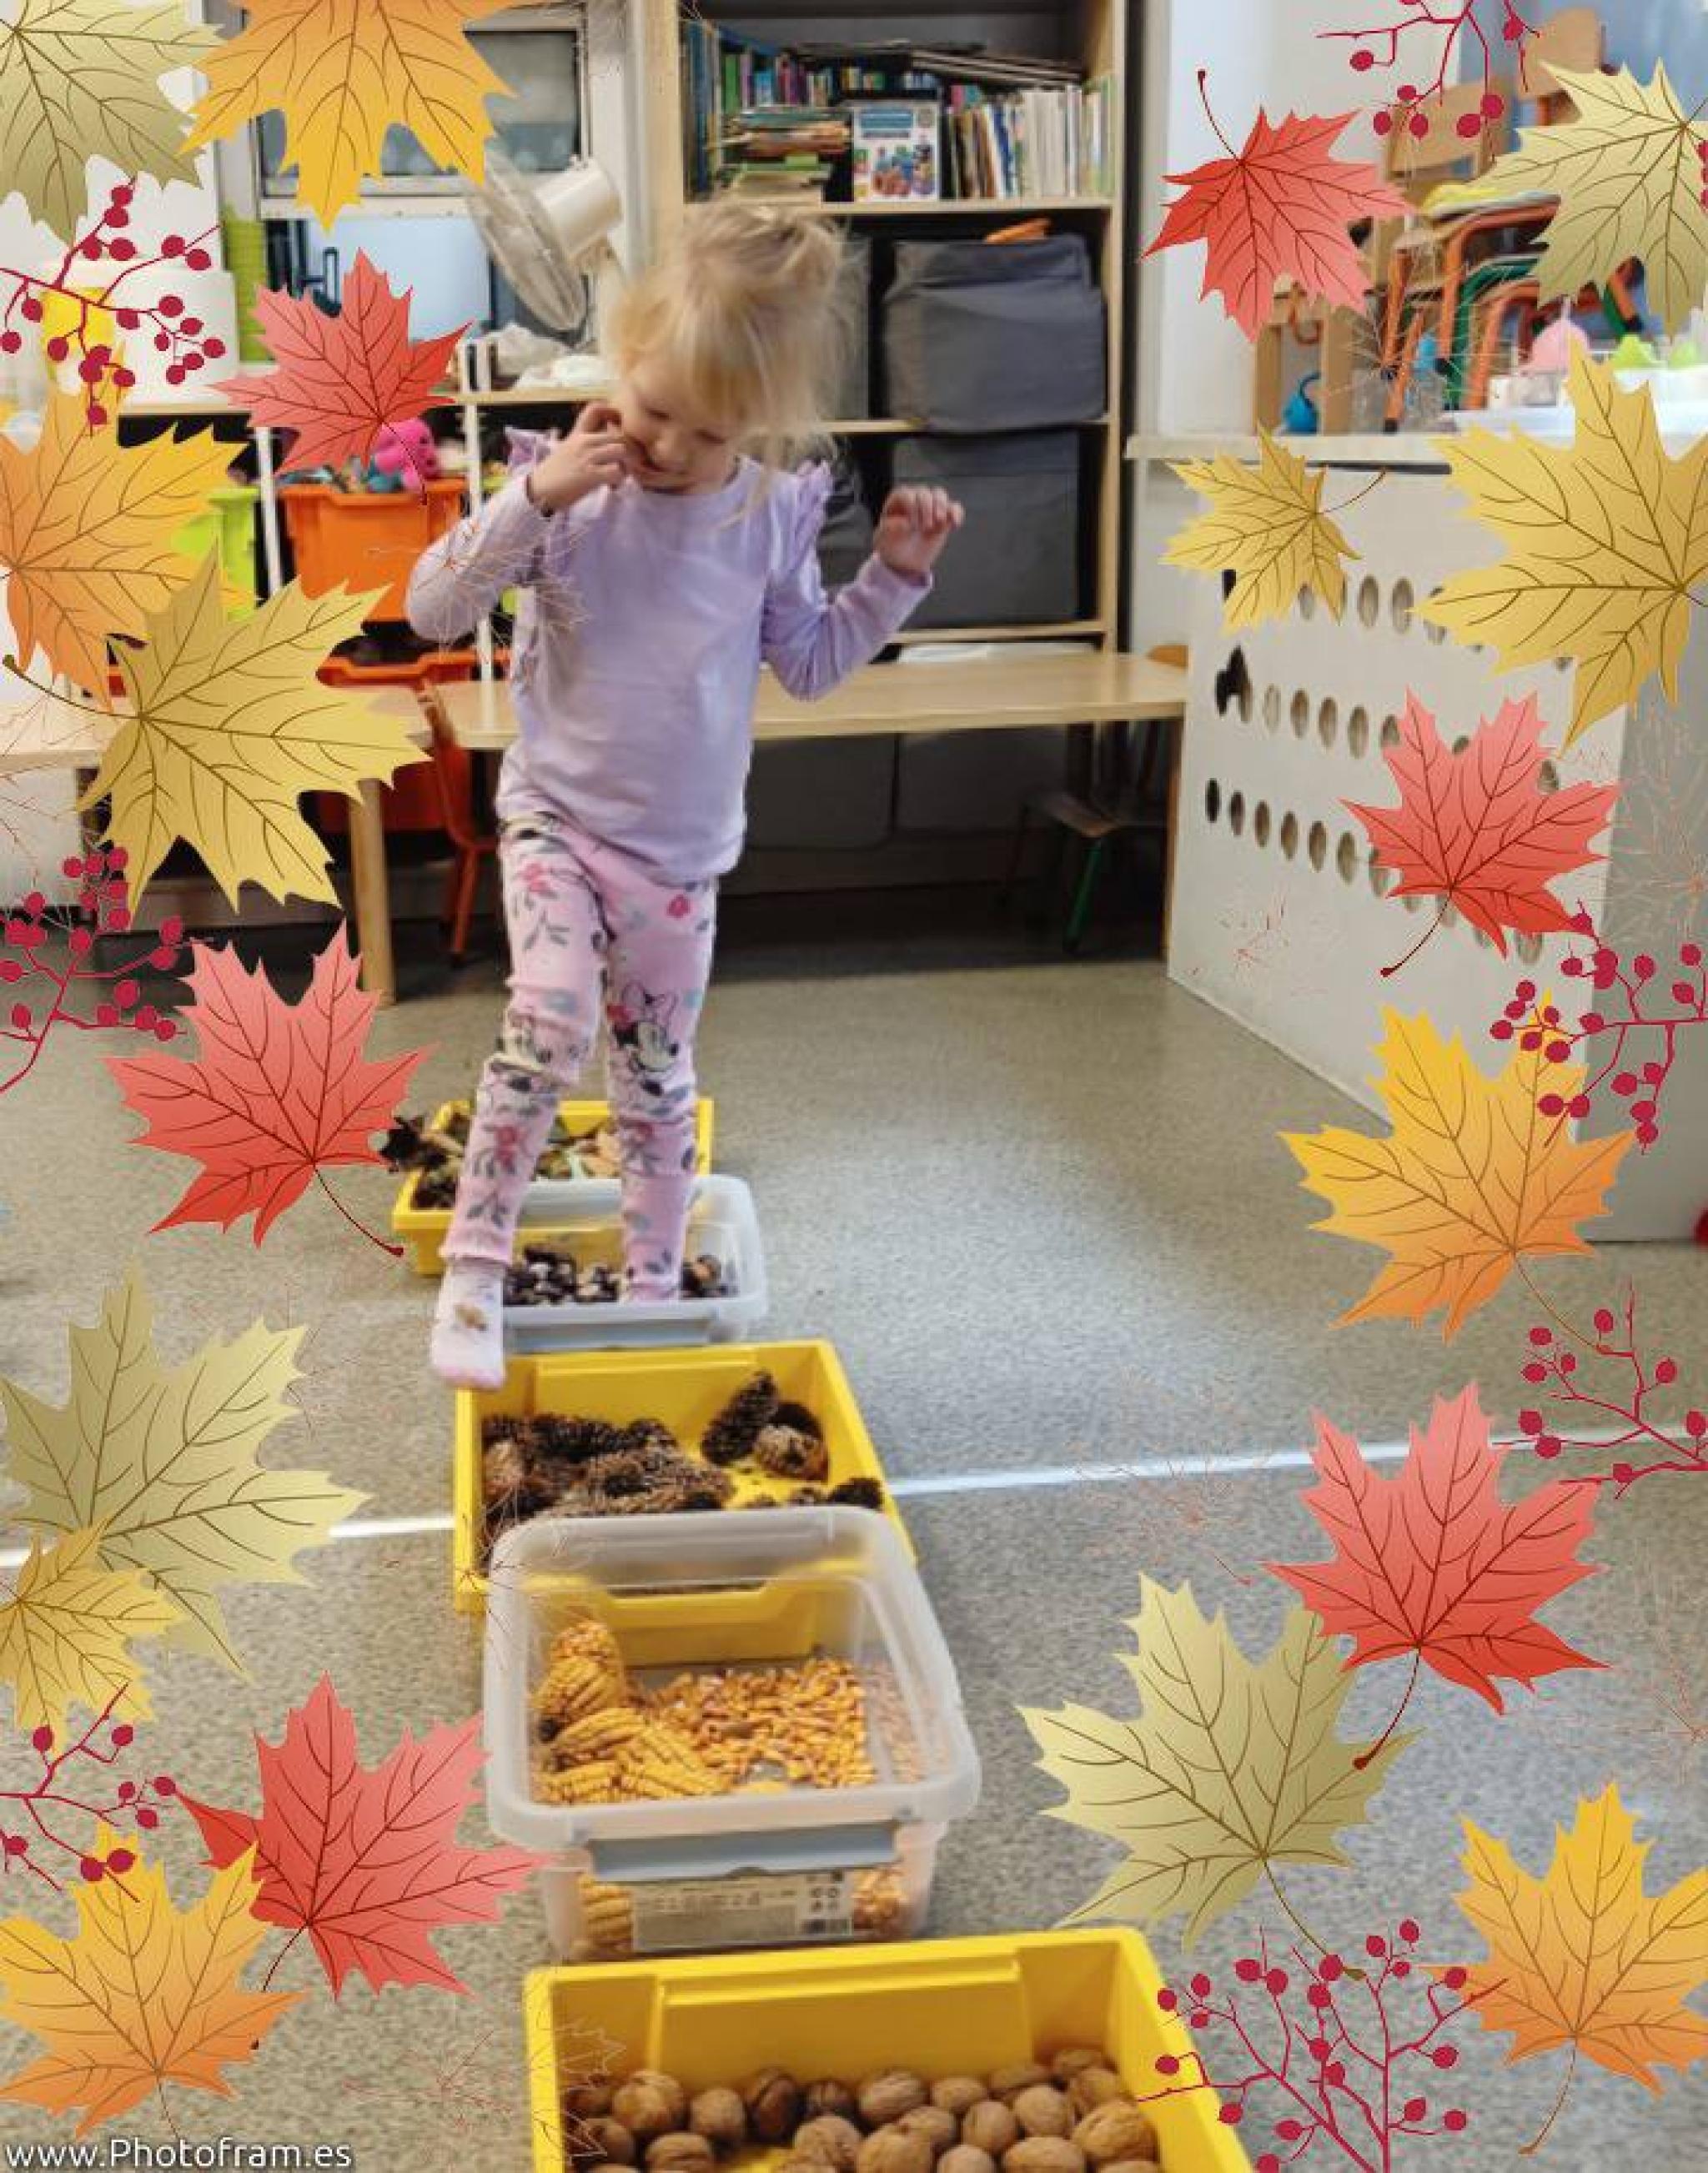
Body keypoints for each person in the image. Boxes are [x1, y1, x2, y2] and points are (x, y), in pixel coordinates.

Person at [409, 200, 962, 1390]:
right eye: (653, 407)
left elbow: (807, 664)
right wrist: (535, 495)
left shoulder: (764, 513)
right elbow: (431, 608)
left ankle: (653, 1294)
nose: (666, 444)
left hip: (678, 857)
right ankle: (475, 1265)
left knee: (657, 1082)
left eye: (708, 432)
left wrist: (891, 579)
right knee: (548, 1022)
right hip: (557, 820)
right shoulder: (564, 492)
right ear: (625, 356)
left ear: (755, 427)